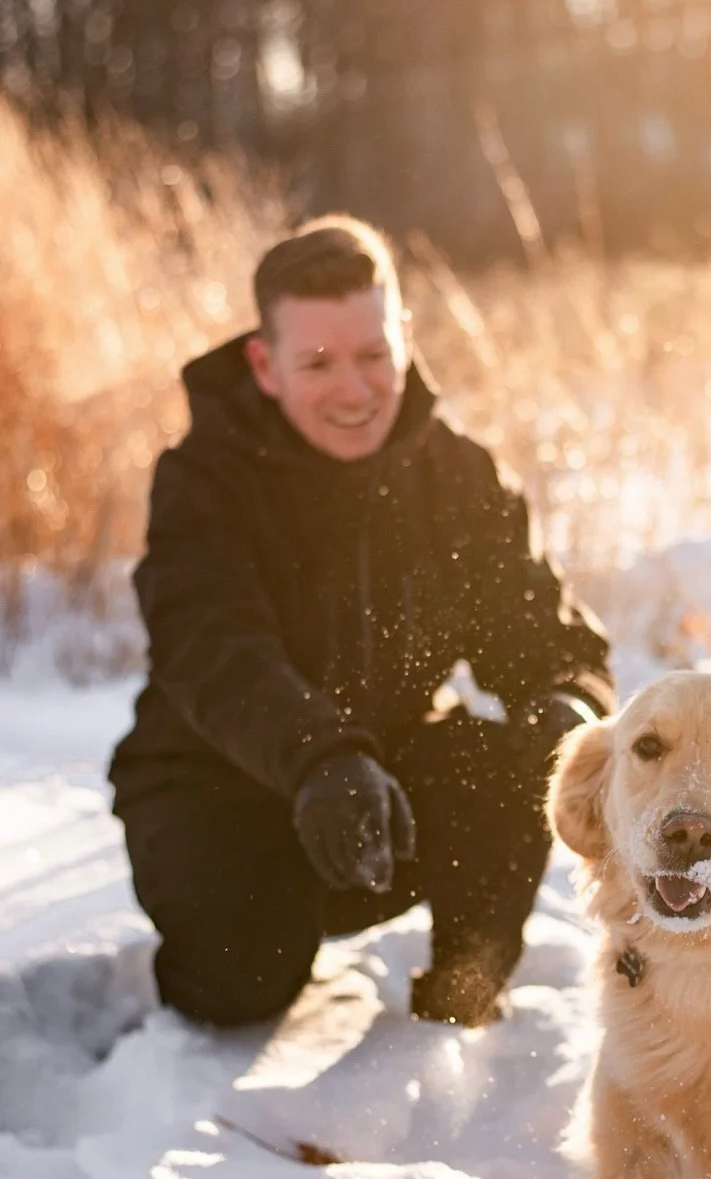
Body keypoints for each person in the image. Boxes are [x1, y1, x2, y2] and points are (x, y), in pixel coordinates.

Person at [110, 216, 612, 1030]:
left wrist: (571, 705)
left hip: (380, 788)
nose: (356, 389)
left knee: (521, 753)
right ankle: (223, 956)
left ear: (405, 338)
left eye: (374, 354)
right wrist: (321, 759)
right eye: (318, 362)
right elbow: (213, 650)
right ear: (264, 366)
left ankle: (463, 1000)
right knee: (241, 984)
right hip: (213, 786)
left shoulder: (457, 476)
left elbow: (545, 638)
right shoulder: (203, 480)